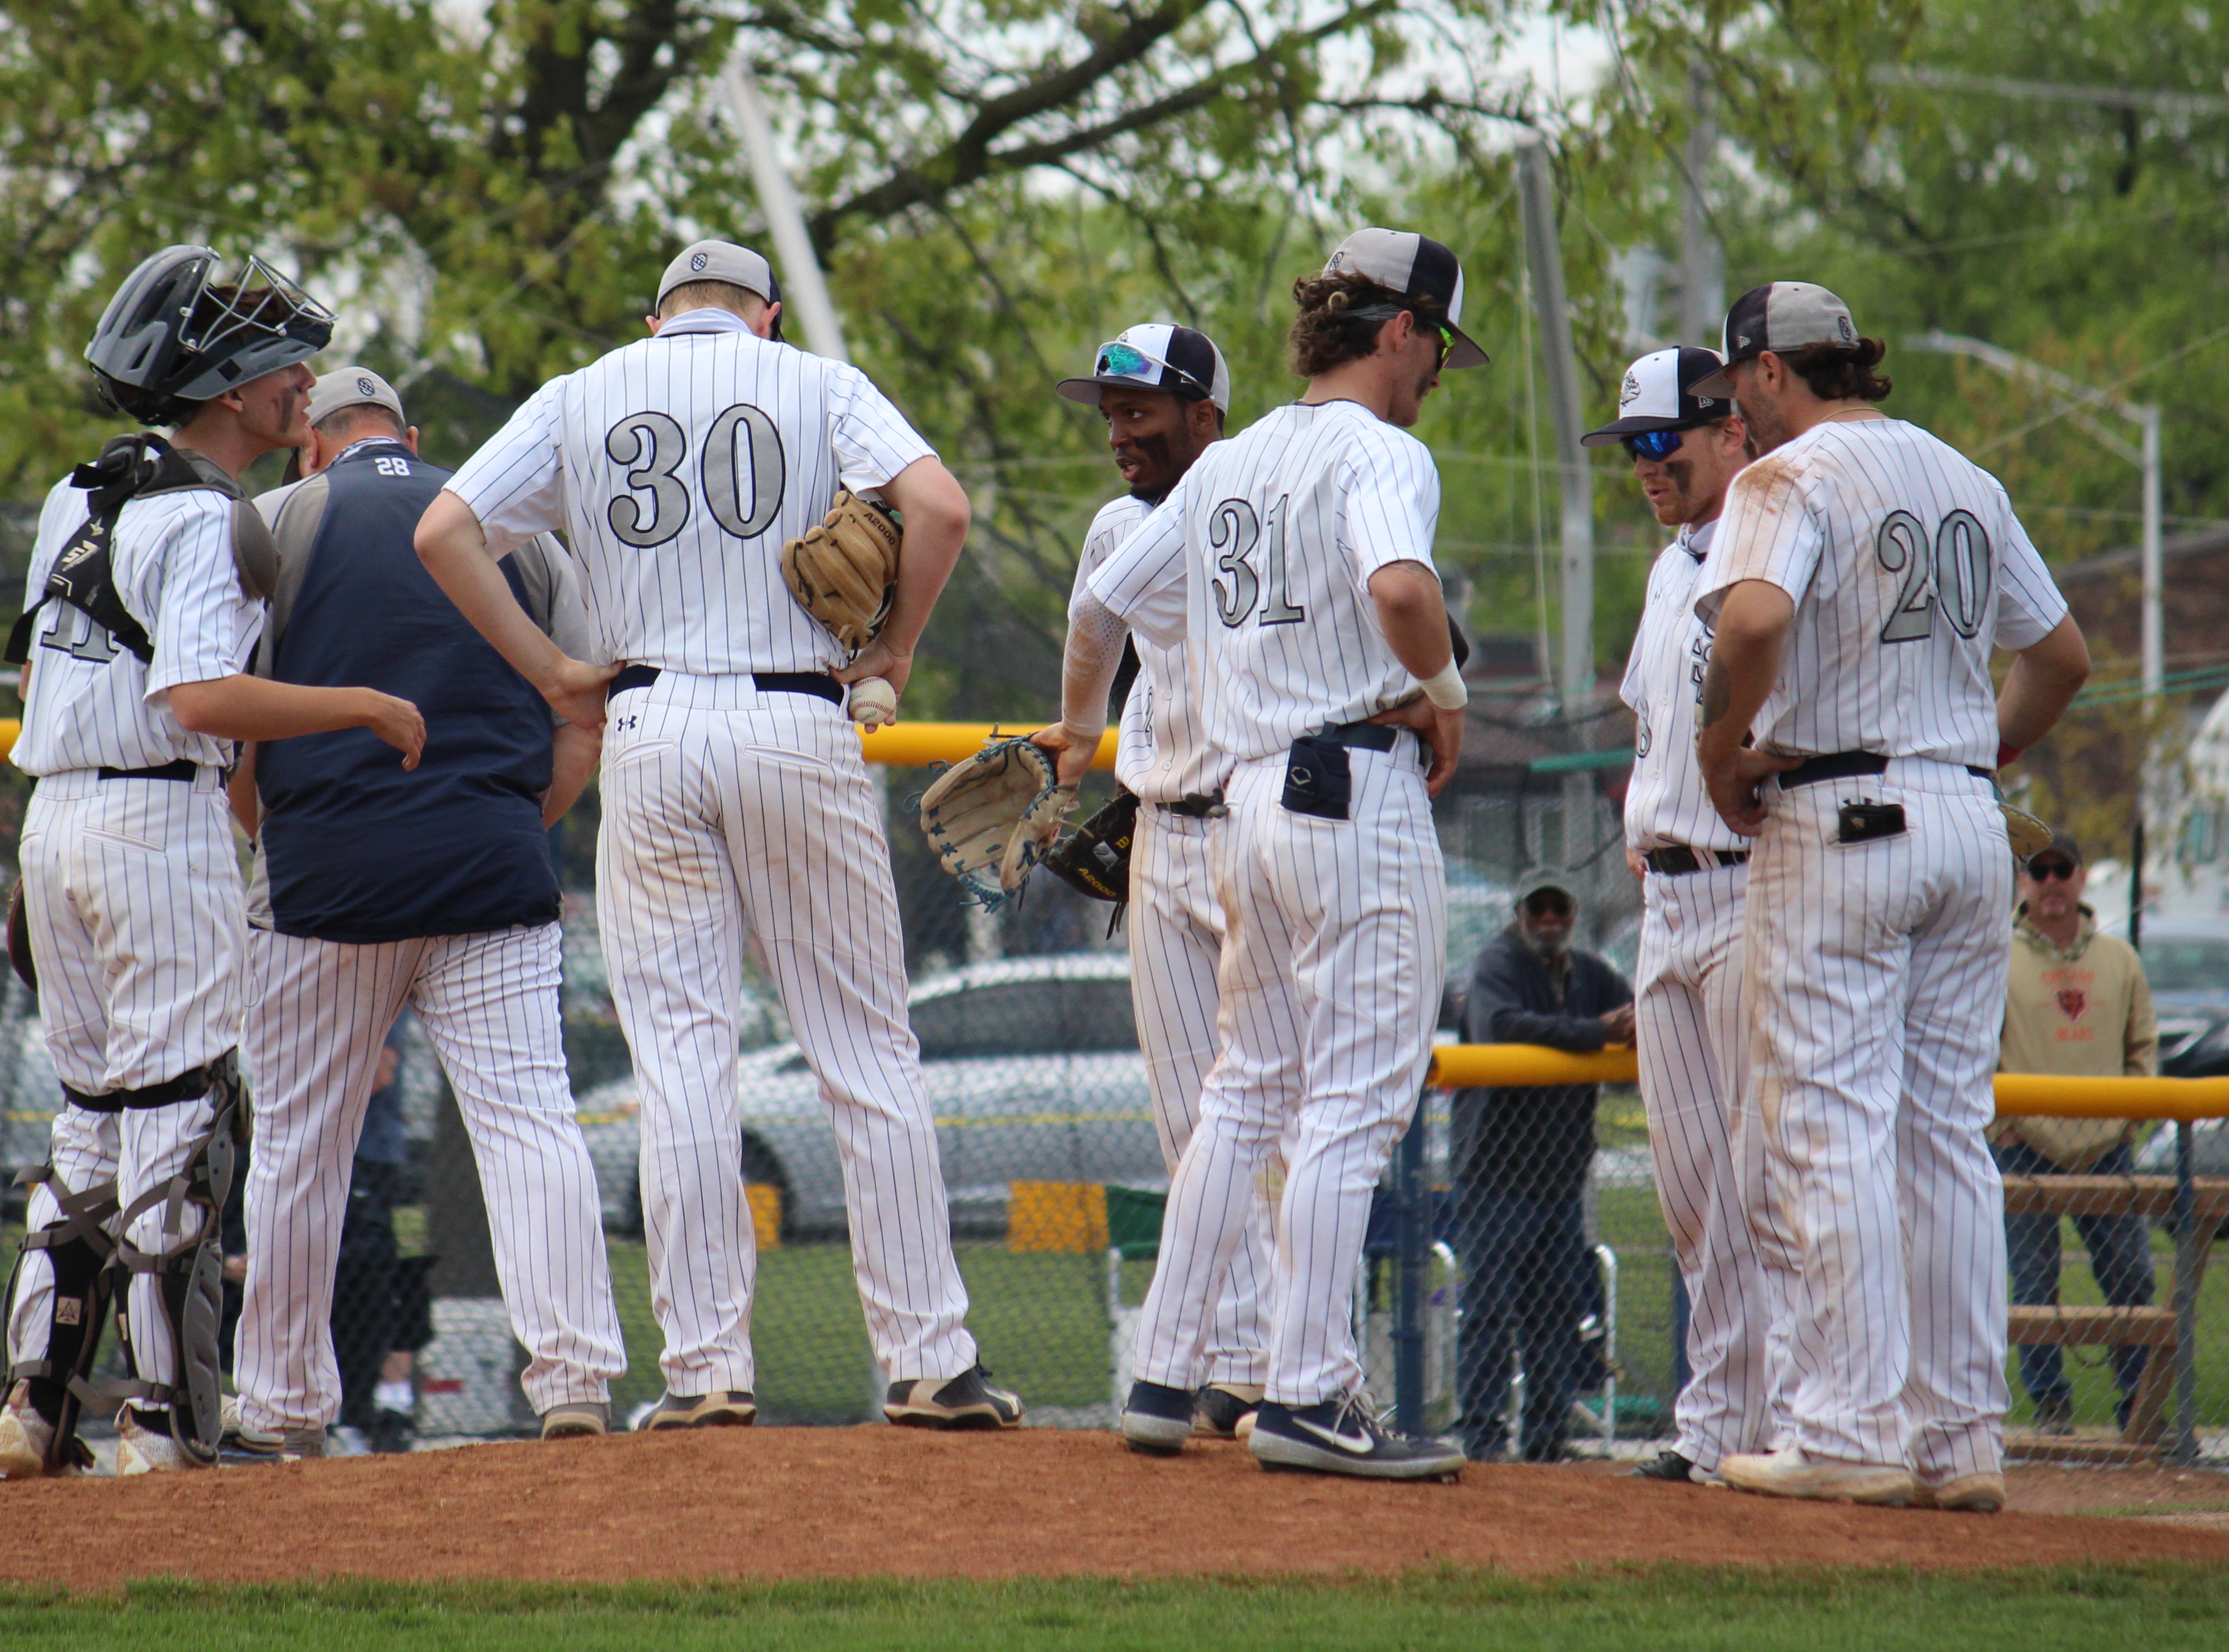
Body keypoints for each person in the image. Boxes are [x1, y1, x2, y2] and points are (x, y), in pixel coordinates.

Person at [416, 242, 1022, 1431]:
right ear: (765, 313)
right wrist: (893, 648)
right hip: (798, 716)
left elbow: (443, 533)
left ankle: (704, 1375)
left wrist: (549, 672)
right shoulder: (815, 379)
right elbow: (941, 507)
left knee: (683, 1059)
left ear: (656, 322)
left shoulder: (582, 393)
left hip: (645, 723)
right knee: (862, 1048)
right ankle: (930, 1362)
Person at [0, 248, 427, 1480]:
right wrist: (364, 707)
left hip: (56, 813)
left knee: (90, 1119)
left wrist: (49, 852)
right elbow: (197, 696)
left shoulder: (76, 497)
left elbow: (36, 681)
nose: (304, 382)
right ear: (228, 386)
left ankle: (37, 1406)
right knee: (183, 1117)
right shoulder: (206, 515)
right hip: (154, 825)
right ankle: (165, 1421)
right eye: (286, 362)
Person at [1072, 228, 1477, 1478]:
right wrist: (1449, 689)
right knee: (1352, 1101)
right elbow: (1405, 595)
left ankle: (1161, 1376)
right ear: (1400, 329)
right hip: (1349, 789)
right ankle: (1309, 1396)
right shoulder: (1379, 447)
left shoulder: (1235, 458)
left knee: (1243, 1094)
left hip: (1243, 800)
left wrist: (1084, 722)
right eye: (1438, 346)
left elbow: (1113, 592)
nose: (1438, 373)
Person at [1689, 282, 2092, 1513]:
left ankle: (1851, 1426)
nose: (1735, 411)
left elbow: (1753, 616)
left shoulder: (1786, 477)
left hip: (1843, 815)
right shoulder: (1965, 475)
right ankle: (1960, 1440)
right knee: (1944, 1135)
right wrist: (1976, 754)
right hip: (1968, 825)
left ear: (1768, 373)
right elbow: (2062, 658)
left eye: (1734, 383)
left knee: (1831, 1117)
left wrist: (1720, 746)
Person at [229, 365, 626, 1454]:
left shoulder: (268, 521)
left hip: (323, 877)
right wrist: (513, 822)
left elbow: (231, 723)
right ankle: (575, 1379)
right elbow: (582, 715)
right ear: (411, 434)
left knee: (301, 1145)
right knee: (529, 1121)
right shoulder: (504, 519)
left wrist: (274, 843)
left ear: (311, 445)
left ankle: (280, 1406)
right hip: (489, 863)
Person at [1023, 323, 1277, 1442]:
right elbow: (1093, 637)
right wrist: (1080, 743)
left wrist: (1080, 728)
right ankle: (1240, 1354)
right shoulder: (1116, 526)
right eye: (1113, 413)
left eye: (1145, 411)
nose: (1122, 431)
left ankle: (1286, 1361)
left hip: (1261, 830)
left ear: (1205, 418)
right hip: (1163, 833)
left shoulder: (1264, 504)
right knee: (1191, 1121)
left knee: (1266, 1115)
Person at [1591, 346, 1796, 1486]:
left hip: (1747, 884)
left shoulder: (1773, 553)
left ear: (1732, 429)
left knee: (1749, 1188)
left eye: (1660, 441)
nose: (1644, 466)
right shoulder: (1676, 566)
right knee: (1685, 1189)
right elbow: (1645, 722)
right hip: (1665, 900)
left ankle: (1754, 1428)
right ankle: (1721, 1426)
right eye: (1632, 448)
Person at [1451, 878, 1633, 1463]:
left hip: (1559, 1177)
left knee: (1554, 1311)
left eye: (1561, 907)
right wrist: (1595, 1033)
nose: (1550, 917)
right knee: (1487, 1312)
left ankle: (1547, 1441)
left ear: (1575, 914)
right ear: (1520, 911)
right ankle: (1482, 1440)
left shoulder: (1589, 972)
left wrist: (1618, 1026)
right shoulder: (1498, 964)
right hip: (1496, 1174)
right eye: (1539, 906)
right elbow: (1501, 1026)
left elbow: (1633, 1010)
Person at [1991, 836, 2159, 1433]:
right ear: (2023, 882)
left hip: (2107, 1151)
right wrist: (2002, 1125)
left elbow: (2143, 1051)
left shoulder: (2121, 960)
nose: (2052, 881)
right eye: (2040, 871)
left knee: (2133, 1281)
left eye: (2063, 869)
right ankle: (2051, 1406)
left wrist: (2127, 1121)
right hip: (2023, 1148)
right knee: (2034, 1287)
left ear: (2083, 878)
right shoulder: (1994, 958)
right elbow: (1976, 1051)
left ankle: (2139, 1410)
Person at [327, 1017, 433, 1454]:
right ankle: (337, 1409)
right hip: (339, 1153)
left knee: (379, 1281)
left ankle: (380, 1410)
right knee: (332, 1279)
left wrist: (309, 1096)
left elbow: (380, 1072)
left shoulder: (377, 983)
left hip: (367, 1157)